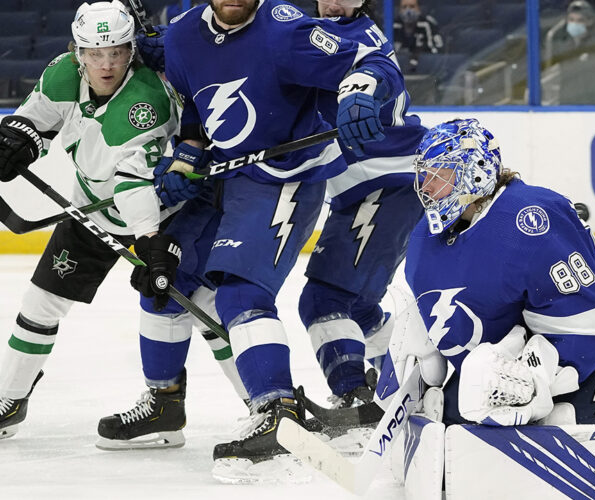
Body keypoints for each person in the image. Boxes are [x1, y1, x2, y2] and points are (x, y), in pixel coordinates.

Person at [105, 0, 404, 475]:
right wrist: (187, 157)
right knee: (165, 280)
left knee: (241, 293)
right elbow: (198, 115)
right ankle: (164, 404)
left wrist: (360, 93)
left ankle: (276, 411)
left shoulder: (285, 30)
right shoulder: (183, 35)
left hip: (283, 179)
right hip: (224, 179)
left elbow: (368, 60)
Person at [0, 0, 184, 439]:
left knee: (190, 307)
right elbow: (35, 118)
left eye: (117, 52)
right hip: (91, 206)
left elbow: (132, 183)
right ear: (78, 52)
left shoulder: (143, 101)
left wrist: (149, 241)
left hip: (160, 216)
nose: (106, 64)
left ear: (131, 50)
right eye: (94, 53)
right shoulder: (63, 72)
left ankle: (261, 403)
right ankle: (11, 397)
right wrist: (17, 138)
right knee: (40, 302)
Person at [404, 118, 595, 427]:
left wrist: (533, 378)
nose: (426, 187)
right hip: (516, 350)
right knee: (450, 420)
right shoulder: (425, 235)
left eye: (438, 176)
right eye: (424, 176)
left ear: (474, 172)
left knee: (558, 426)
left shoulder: (530, 219)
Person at [297, 0, 426, 409]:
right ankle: (409, 385)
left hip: (386, 184)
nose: (335, 1)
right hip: (374, 189)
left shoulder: (358, 37)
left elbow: (374, 72)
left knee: (324, 300)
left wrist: (359, 91)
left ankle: (354, 396)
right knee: (361, 308)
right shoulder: (311, 32)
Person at [545, 0, 595, 105]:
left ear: (589, 22)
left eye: (580, 20)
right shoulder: (564, 45)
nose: (574, 24)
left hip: (589, 108)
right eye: (571, 19)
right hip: (566, 105)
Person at [392, 0, 444, 72]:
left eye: (412, 6)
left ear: (418, 8)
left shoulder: (427, 24)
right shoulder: (393, 25)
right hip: (398, 69)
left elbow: (437, 50)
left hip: (427, 68)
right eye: (404, 7)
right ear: (399, 10)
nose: (408, 10)